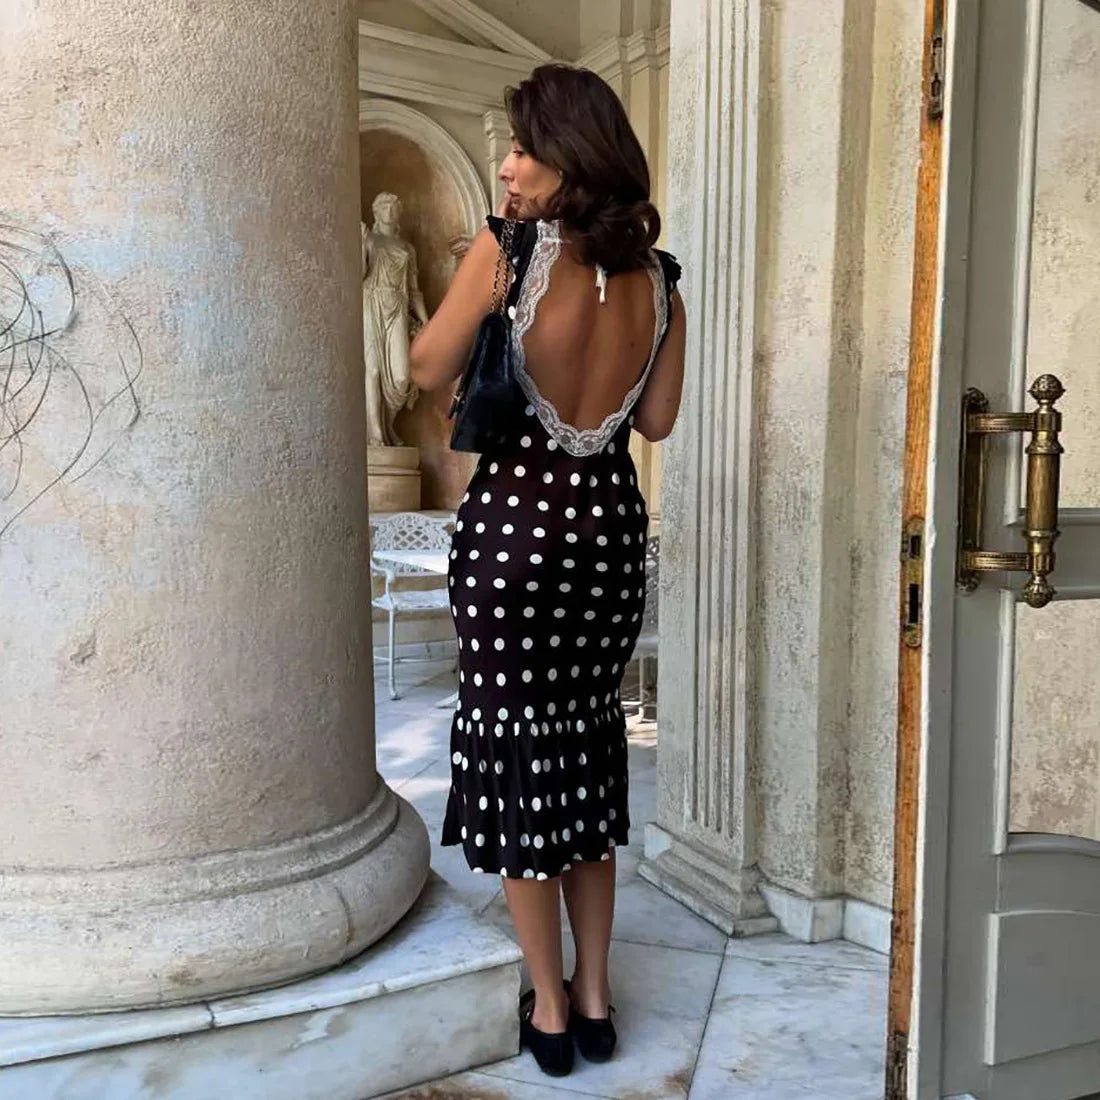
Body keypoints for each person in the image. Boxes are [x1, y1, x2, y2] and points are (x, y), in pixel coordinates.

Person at [409, 63, 686, 1078]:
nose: (508, 162)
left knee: (524, 761)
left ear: (570, 154)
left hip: (517, 533)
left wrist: (486, 275)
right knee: (584, 745)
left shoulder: (509, 248)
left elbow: (426, 367)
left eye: (523, 145)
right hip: (606, 533)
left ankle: (555, 1006)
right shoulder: (660, 279)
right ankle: (602, 991)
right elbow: (653, 421)